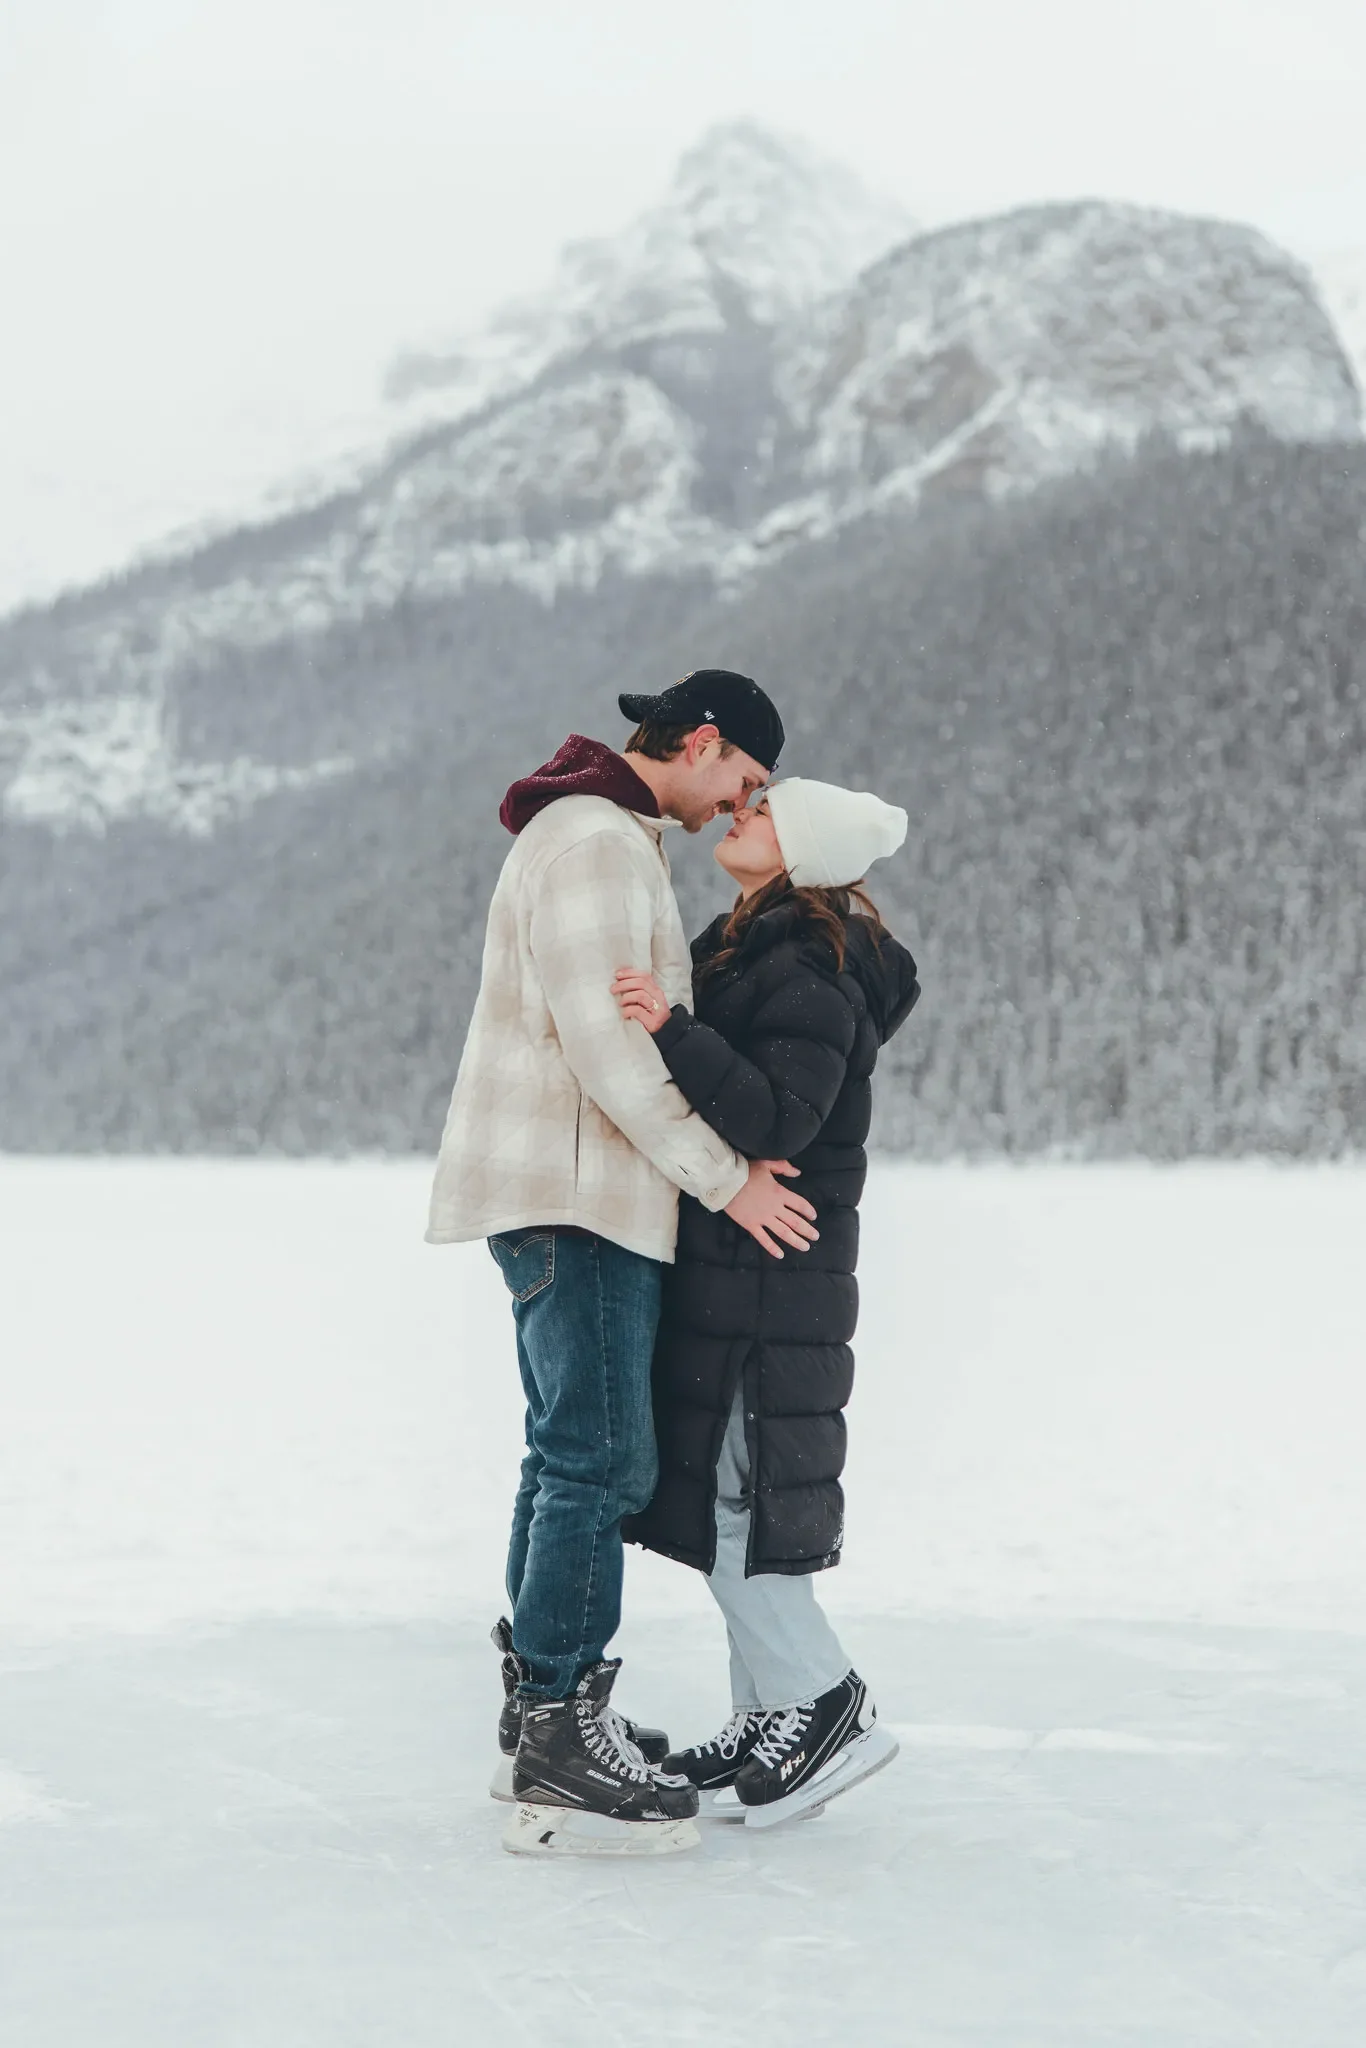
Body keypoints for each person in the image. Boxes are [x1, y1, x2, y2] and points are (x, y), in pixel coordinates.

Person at [426, 671, 819, 1858]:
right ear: (702, 742)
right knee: (596, 1455)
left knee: (572, 1455)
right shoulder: (596, 841)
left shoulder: (600, 831)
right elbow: (609, 1047)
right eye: (742, 781)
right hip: (577, 1189)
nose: (735, 805)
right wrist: (725, 1176)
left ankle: (541, 1713)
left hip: (571, 1189)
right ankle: (557, 1729)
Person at [614, 776, 920, 1829]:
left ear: (801, 849)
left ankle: (824, 1699)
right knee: (723, 1495)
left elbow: (780, 1115)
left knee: (739, 1499)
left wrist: (670, 1029)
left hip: (772, 1276)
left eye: (760, 812)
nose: (737, 813)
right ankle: (766, 1710)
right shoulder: (758, 941)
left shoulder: (810, 963)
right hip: (744, 1270)